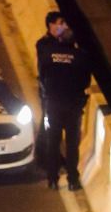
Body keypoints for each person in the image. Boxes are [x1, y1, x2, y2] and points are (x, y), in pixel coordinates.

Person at [36, 11, 91, 191]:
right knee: (72, 144)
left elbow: (42, 76)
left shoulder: (48, 53)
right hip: (73, 105)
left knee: (53, 141)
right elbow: (85, 81)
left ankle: (52, 178)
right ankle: (73, 179)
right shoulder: (81, 56)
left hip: (53, 104)